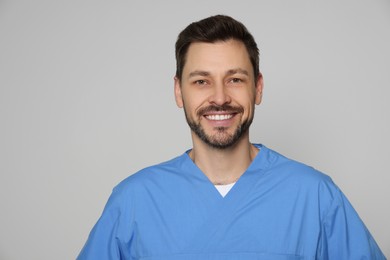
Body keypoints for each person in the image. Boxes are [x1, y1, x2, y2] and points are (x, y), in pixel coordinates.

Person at [78, 15, 385, 259]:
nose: (220, 97)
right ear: (178, 91)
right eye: (201, 81)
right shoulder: (134, 201)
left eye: (235, 79)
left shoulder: (315, 196)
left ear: (258, 87)